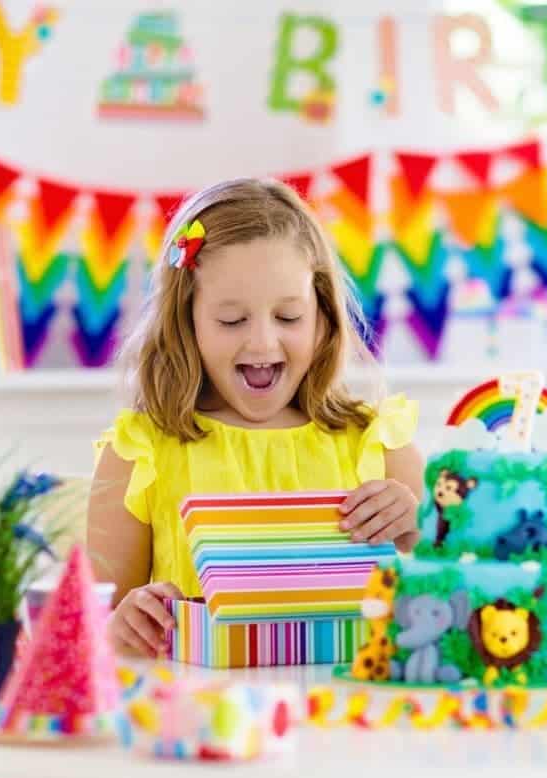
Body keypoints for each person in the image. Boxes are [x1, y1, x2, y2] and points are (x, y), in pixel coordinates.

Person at [88, 179, 423, 658]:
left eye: (288, 317)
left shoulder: (374, 441)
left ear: (322, 317)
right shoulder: (142, 452)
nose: (263, 343)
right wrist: (121, 625)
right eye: (231, 321)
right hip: (200, 719)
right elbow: (91, 619)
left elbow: (452, 589)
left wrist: (417, 525)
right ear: (188, 323)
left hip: (344, 718)